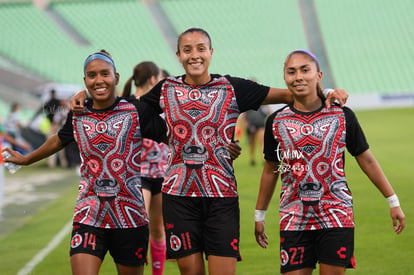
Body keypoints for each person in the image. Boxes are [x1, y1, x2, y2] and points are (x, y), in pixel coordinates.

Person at [70, 28, 348, 275]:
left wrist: (329, 92)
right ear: (178, 55)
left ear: (211, 53)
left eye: (201, 49)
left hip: (221, 200)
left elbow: (294, 93)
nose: (195, 55)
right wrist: (86, 95)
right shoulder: (167, 89)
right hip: (178, 199)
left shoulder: (233, 88)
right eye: (187, 50)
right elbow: (125, 107)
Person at [3, 50, 166, 275]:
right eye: (91, 76)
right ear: (85, 81)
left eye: (104, 74)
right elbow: (60, 139)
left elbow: (172, 135)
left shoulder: (135, 109)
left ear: (116, 78)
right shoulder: (78, 113)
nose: (98, 80)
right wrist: (27, 159)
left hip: (131, 218)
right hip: (89, 215)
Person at [254, 49, 405, 275]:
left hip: (336, 214)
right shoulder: (275, 122)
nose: (298, 77)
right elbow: (270, 170)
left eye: (305, 70)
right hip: (293, 216)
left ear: (319, 74)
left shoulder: (343, 116)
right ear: (284, 77)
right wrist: (260, 215)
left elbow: (366, 159)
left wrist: (392, 201)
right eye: (291, 72)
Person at [122, 61, 169, 275]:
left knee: (158, 230)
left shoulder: (162, 104)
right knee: (139, 227)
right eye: (159, 77)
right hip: (137, 175)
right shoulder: (126, 104)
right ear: (153, 79)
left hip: (161, 173)